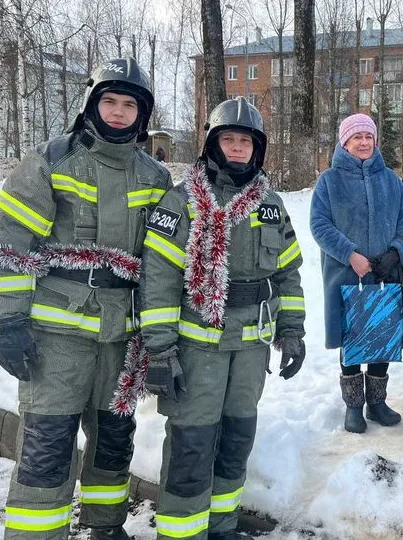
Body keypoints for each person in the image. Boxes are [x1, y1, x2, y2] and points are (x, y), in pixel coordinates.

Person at [0, 58, 170, 540]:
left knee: (113, 440)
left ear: (142, 114)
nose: (119, 112)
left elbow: (164, 264)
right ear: (91, 103)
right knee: (47, 444)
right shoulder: (50, 161)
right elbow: (11, 243)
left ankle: (106, 526)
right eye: (110, 101)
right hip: (56, 336)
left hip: (122, 336)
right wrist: (10, 322)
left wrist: (161, 337)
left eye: (130, 104)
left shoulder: (155, 177)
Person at [139, 96, 305, 540]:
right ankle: (181, 533)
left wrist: (292, 332)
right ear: (212, 144)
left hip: (250, 352)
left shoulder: (271, 204)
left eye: (244, 141)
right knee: (192, 445)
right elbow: (157, 281)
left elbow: (288, 274)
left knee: (236, 441)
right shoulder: (182, 202)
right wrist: (158, 350)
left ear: (258, 149)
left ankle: (222, 526)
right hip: (197, 351)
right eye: (227, 139)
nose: (236, 148)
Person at [310, 113, 403, 433]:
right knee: (353, 341)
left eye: (368, 137)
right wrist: (349, 254)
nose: (363, 142)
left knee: (382, 339)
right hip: (347, 277)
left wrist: (395, 252)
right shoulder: (329, 180)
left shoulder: (391, 181)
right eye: (356, 137)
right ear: (344, 142)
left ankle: (377, 403)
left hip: (385, 276)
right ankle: (353, 407)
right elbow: (319, 224)